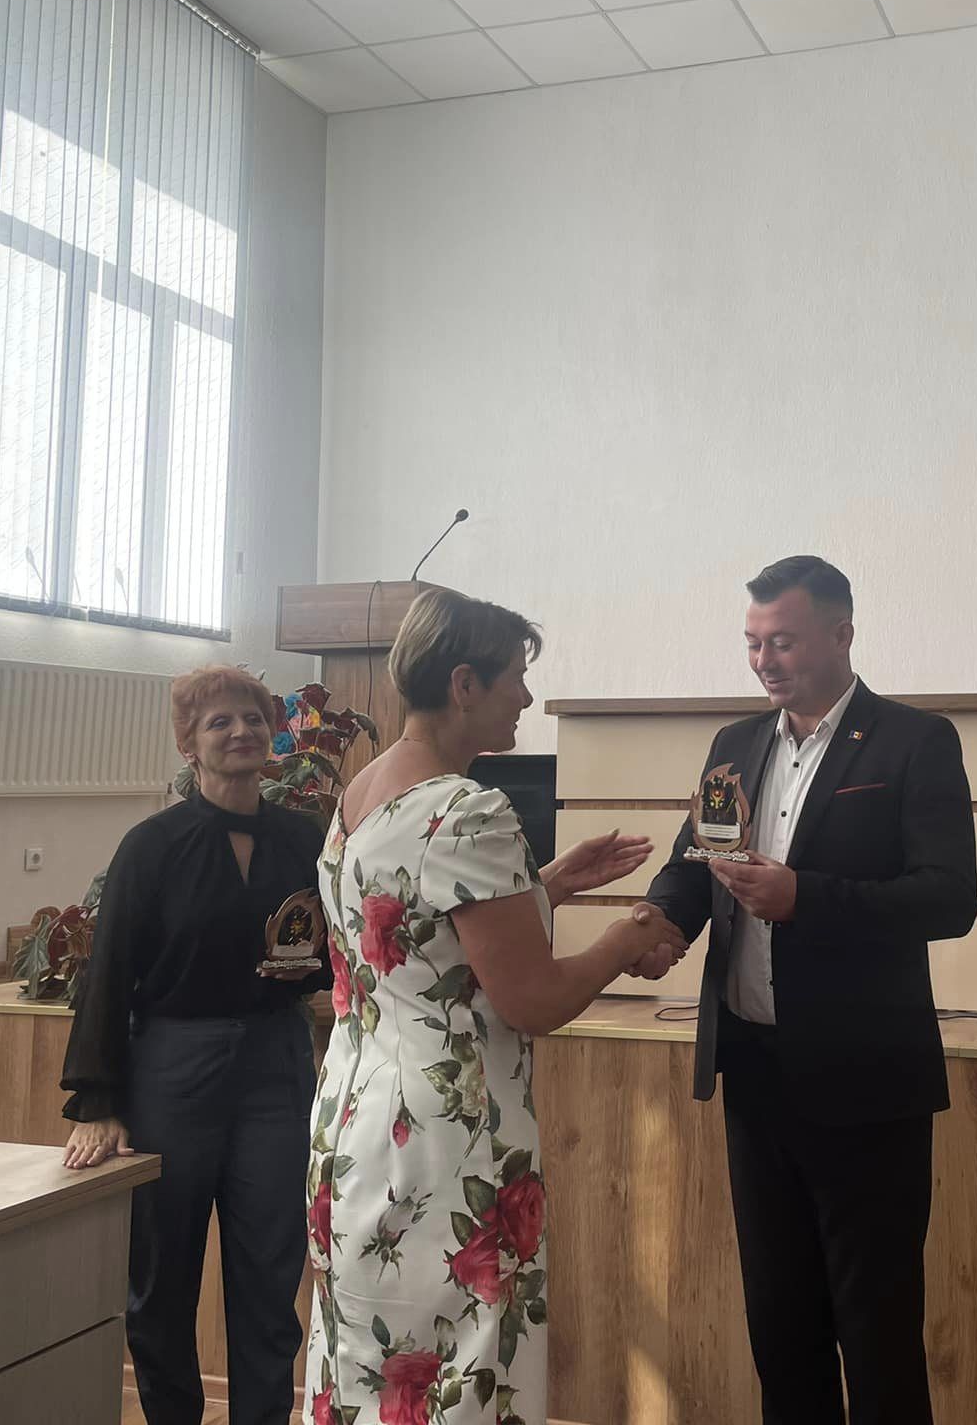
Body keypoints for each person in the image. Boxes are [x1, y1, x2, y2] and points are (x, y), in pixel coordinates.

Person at [304, 588, 683, 1425]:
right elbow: (533, 1000)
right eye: (516, 677)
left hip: (356, 1121)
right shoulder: (469, 809)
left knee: (370, 1362)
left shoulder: (362, 791)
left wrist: (544, 884)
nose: (527, 697)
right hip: (446, 1134)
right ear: (465, 684)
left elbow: (412, 934)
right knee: (458, 1366)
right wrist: (628, 936)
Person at [635, 555, 977, 1425]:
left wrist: (804, 898)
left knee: (876, 1329)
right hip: (755, 1075)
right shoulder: (735, 745)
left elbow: (949, 899)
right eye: (753, 642)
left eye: (782, 641)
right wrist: (658, 922)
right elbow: (696, 864)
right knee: (780, 1324)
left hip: (867, 1081)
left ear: (841, 634)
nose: (764, 661)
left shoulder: (914, 742)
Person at [61, 664, 330, 1425]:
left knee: (270, 1276)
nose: (242, 731)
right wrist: (99, 1101)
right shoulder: (150, 847)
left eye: (253, 718)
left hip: (276, 1067)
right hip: (173, 1071)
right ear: (189, 744)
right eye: (220, 722)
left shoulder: (304, 839)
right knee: (161, 1278)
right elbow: (108, 972)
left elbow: (333, 946)